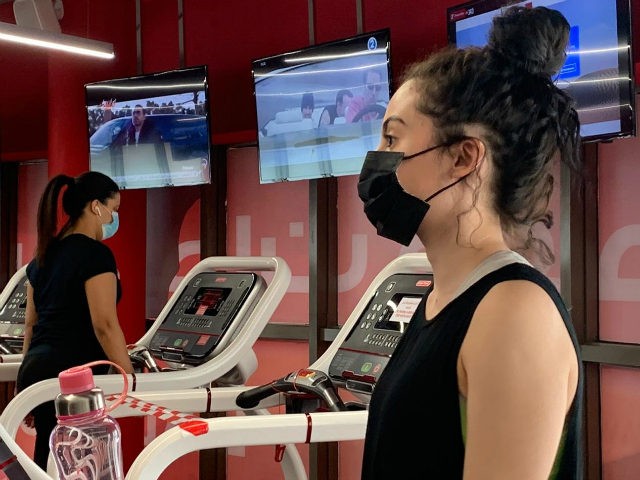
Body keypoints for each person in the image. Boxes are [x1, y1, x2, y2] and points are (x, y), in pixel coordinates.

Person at [357, 6, 583, 479]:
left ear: (463, 157)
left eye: (392, 138)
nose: (376, 158)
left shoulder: (513, 314)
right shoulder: (444, 299)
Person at [16, 171, 134, 470]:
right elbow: (105, 324)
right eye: (114, 209)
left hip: (38, 368)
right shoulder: (96, 256)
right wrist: (130, 378)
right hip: (72, 372)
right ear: (96, 206)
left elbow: (32, 324)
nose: (113, 218)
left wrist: (23, 382)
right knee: (79, 459)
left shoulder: (42, 256)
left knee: (50, 452)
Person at [110, 104, 171, 186]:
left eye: (138, 113)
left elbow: (161, 157)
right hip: (130, 177)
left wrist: (166, 180)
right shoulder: (126, 135)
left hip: (149, 177)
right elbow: (115, 149)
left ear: (144, 116)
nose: (135, 115)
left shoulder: (153, 135)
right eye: (133, 113)